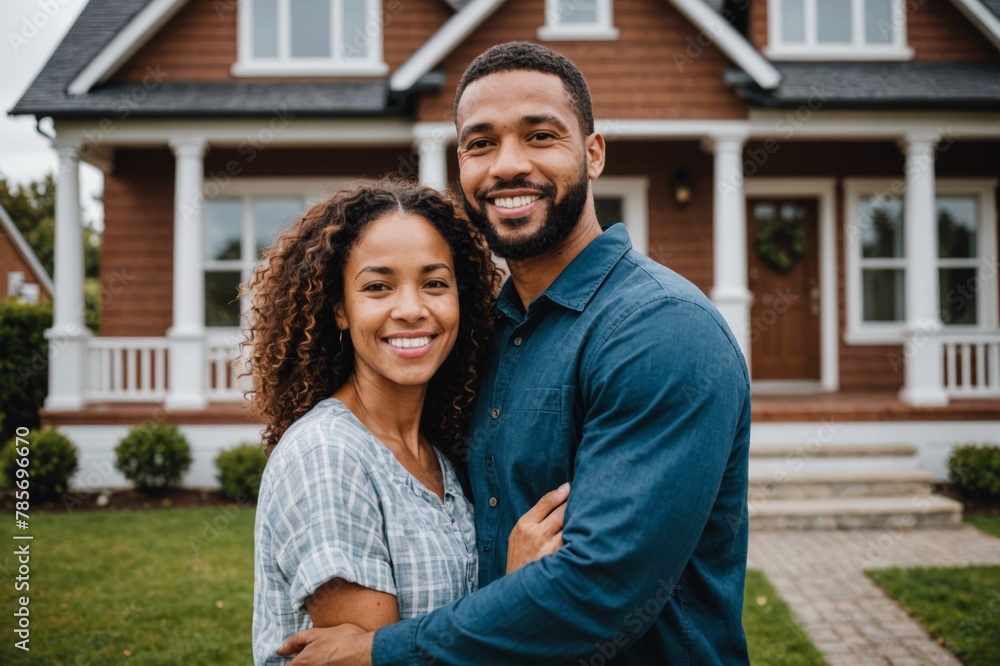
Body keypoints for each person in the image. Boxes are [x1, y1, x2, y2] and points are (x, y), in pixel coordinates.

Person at [279, 41, 751, 665]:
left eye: (539, 136)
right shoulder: (485, 333)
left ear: (593, 152)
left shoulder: (660, 330)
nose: (507, 165)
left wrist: (382, 652)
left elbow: (598, 591)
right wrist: (506, 585)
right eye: (480, 143)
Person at [246, 179, 569, 665]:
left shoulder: (436, 455)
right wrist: (516, 591)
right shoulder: (328, 455)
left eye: (434, 283)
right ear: (339, 309)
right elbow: (379, 657)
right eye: (378, 287)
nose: (412, 309)